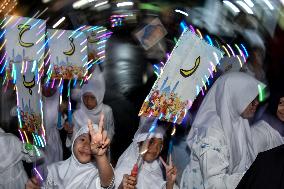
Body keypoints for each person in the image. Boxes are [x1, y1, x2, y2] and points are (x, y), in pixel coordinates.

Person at [180, 72, 263, 189]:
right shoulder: (211, 134)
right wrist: (253, 177)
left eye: (257, 98)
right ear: (235, 98)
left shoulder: (239, 120)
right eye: (251, 100)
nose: (257, 103)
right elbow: (214, 184)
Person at [26, 114, 115, 189]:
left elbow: (107, 183)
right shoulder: (53, 169)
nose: (86, 145)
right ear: (73, 143)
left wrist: (100, 156)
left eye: (92, 143)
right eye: (83, 139)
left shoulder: (95, 174)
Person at [115, 117, 178, 189]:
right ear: (139, 143)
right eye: (151, 142)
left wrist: (170, 184)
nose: (155, 149)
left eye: (160, 145)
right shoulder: (123, 172)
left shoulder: (155, 167)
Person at [66, 66, 114, 148]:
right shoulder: (77, 115)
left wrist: (104, 144)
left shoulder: (107, 111)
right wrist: (70, 132)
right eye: (85, 97)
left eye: (92, 98)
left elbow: (110, 131)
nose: (88, 101)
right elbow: (74, 140)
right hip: (82, 151)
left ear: (99, 97)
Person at [39, 85, 63, 178]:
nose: (50, 88)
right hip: (38, 141)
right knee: (41, 174)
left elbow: (60, 126)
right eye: (47, 85)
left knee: (54, 173)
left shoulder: (59, 101)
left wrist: (61, 113)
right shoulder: (35, 98)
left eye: (53, 86)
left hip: (53, 142)